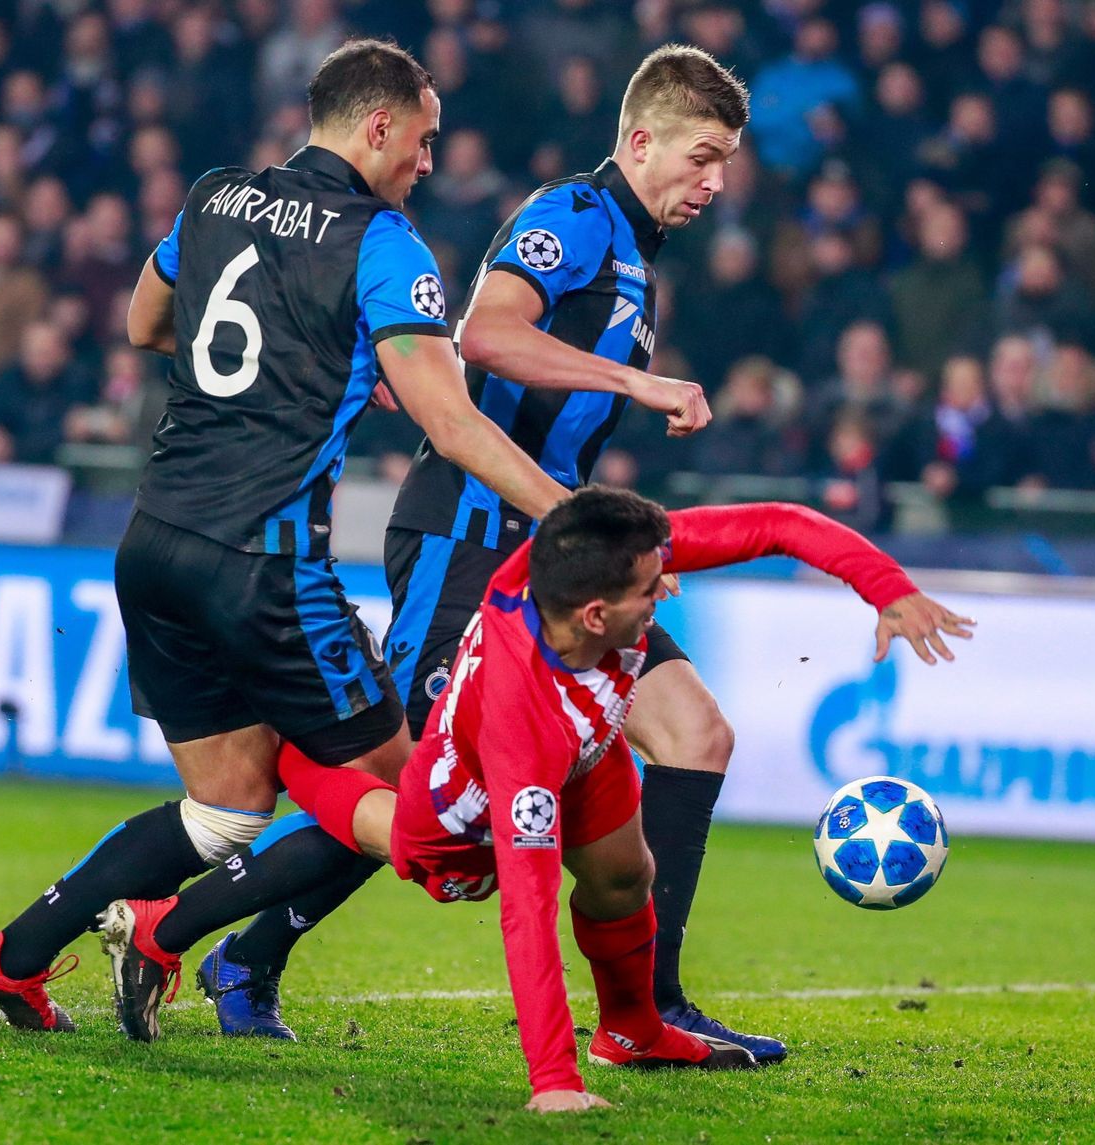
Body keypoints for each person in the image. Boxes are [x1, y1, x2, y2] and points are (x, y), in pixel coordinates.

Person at [0, 39, 578, 1031]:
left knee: (225, 809)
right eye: (422, 139)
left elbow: (145, 322)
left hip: (153, 540)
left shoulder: (213, 197)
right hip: (264, 567)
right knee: (410, 800)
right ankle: (202, 944)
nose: (427, 161)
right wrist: (569, 514)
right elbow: (448, 423)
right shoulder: (386, 244)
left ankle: (12, 955)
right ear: (378, 127)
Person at [189, 43, 781, 1062]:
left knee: (694, 733)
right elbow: (487, 335)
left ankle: (654, 1009)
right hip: (467, 541)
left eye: (723, 160)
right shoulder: (576, 218)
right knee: (423, 785)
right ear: (639, 142)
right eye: (700, 156)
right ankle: (235, 946)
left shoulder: (635, 256)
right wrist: (643, 384)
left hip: (556, 564)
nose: (715, 181)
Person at [100, 487, 975, 1112]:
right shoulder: (525, 725)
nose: (667, 588)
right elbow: (525, 909)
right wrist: (552, 1080)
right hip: (456, 815)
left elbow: (776, 522)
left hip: (588, 747)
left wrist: (887, 588)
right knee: (361, 822)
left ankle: (633, 1027)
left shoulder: (574, 565)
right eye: (650, 589)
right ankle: (163, 925)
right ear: (596, 613)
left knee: (627, 876)